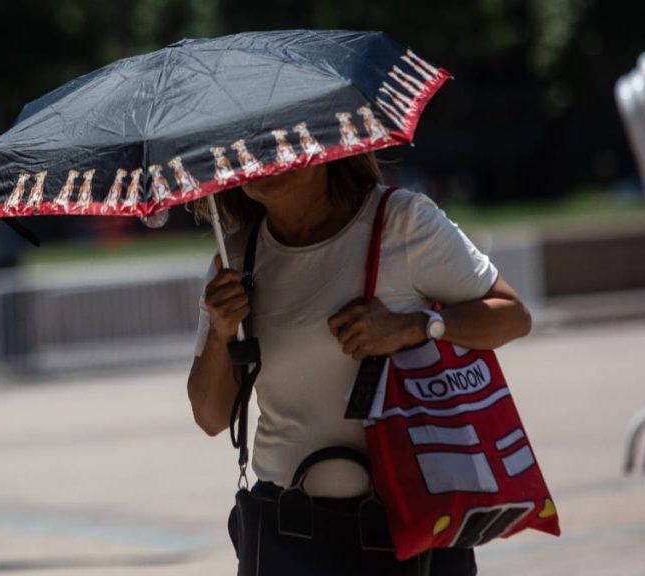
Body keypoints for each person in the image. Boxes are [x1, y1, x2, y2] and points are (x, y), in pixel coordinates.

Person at [187, 152, 532, 575]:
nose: (264, 161)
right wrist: (222, 332)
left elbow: (512, 315)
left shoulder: (402, 222)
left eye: (280, 143)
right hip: (288, 535)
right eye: (246, 151)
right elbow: (210, 416)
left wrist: (416, 326)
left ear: (326, 141)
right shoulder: (237, 261)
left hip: (411, 528)